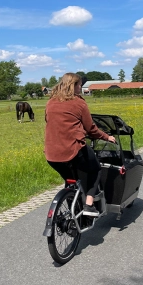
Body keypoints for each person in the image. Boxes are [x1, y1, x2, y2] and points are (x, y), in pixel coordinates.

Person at [44, 73, 115, 217]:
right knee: (95, 169)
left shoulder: (51, 102)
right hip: (73, 150)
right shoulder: (79, 103)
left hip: (51, 154)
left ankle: (72, 213)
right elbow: (91, 129)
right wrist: (107, 137)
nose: (81, 88)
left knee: (70, 180)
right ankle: (89, 205)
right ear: (74, 86)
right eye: (79, 85)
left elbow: (50, 121)